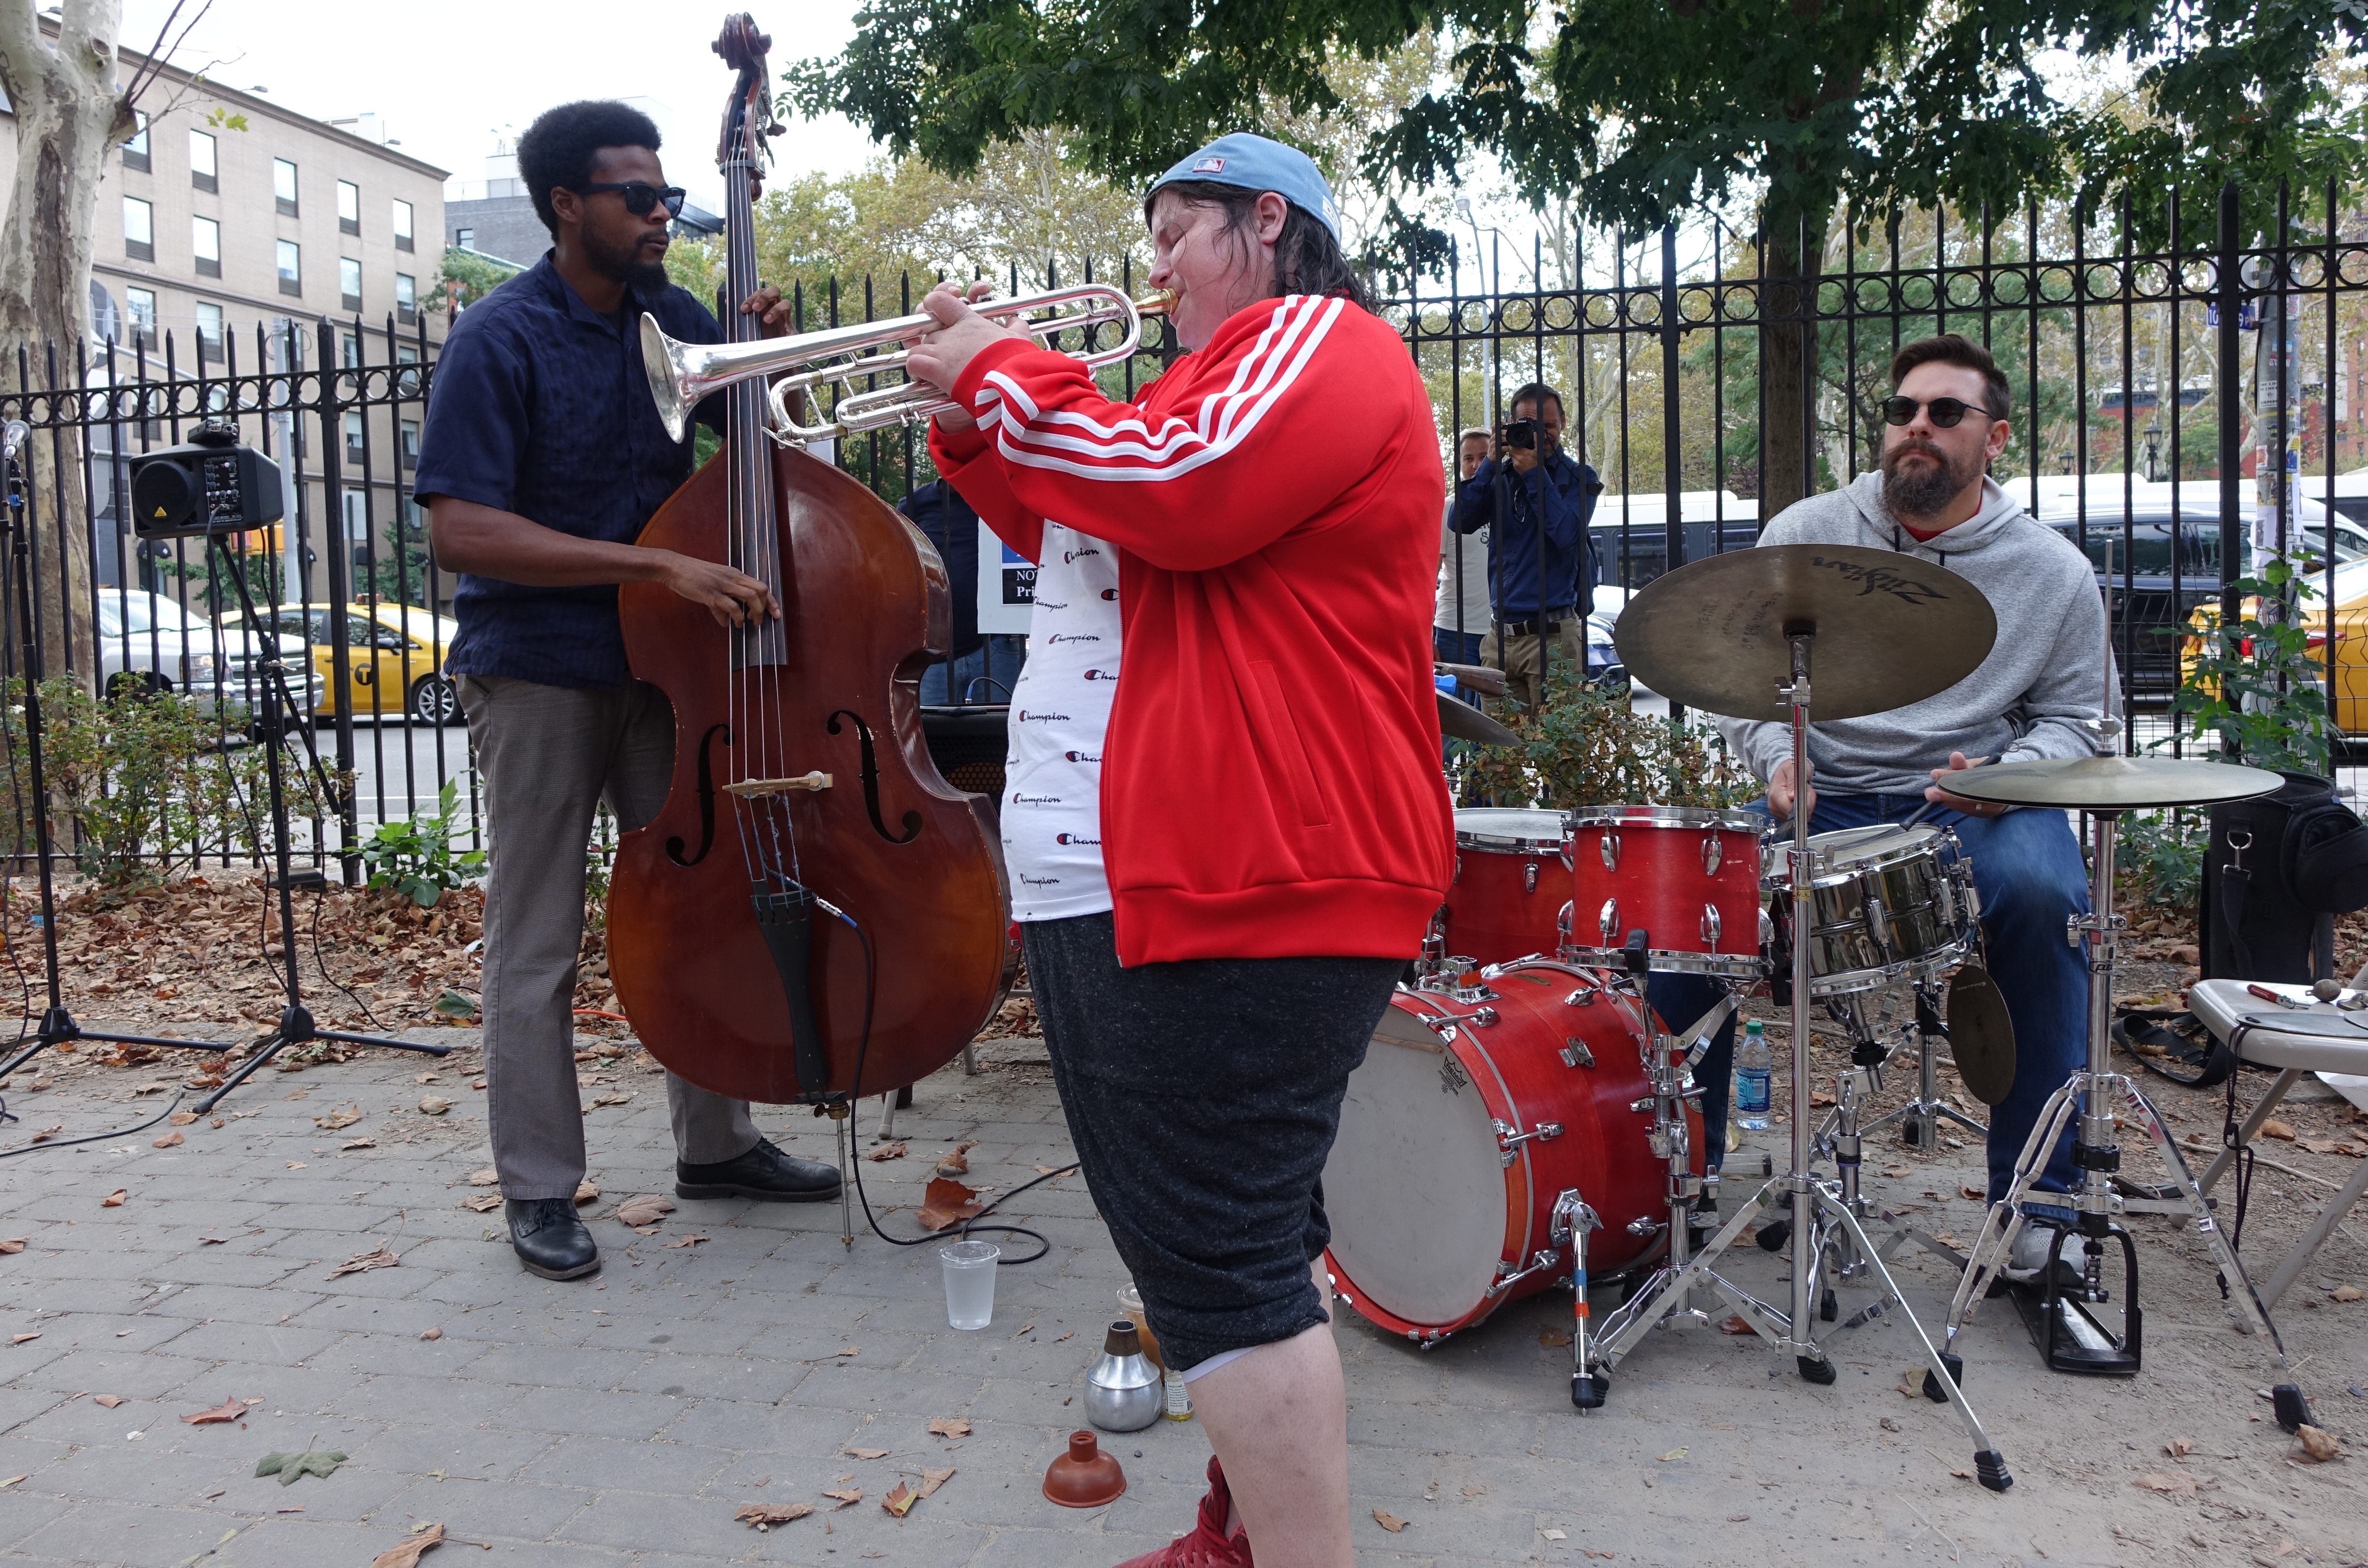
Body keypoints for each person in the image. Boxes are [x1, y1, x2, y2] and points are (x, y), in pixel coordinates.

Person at [905, 132, 1450, 1568]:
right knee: (1220, 1245)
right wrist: (972, 423)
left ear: (1266, 222)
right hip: (1149, 872)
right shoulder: (1203, 390)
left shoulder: (1320, 345)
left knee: (1215, 1257)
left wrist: (1009, 375)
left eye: (1173, 230)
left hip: (1248, 870)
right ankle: (1249, 1533)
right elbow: (1083, 518)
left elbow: (1174, 483)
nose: (1147, 262)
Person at [414, 100, 841, 1284]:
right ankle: (541, 1185)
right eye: (636, 199)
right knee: (538, 939)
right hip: (541, 668)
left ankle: (718, 1144)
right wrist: (650, 562)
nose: (663, 216)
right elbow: (458, 527)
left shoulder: (671, 316)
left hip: (665, 671)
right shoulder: (497, 338)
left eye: (666, 196)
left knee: (699, 905)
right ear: (565, 205)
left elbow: (762, 450)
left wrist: (768, 356)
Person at [1647, 333, 2104, 1285]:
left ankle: (2037, 1208)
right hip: (1825, 790)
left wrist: (2008, 773)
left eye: (1945, 414)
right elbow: (1746, 693)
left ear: (1997, 438)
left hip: (1973, 804)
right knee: (1694, 898)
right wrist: (1779, 760)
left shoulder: (2051, 572)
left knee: (2039, 888)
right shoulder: (1804, 534)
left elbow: (2078, 723)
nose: (1917, 430)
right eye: (1902, 412)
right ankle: (1669, 1185)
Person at [1448, 382, 1602, 709]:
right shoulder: (1499, 476)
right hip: (1499, 639)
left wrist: (1535, 476)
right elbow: (1459, 521)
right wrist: (1488, 465)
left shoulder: (1578, 478)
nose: (1542, 434)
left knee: (1561, 755)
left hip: (1554, 639)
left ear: (1563, 421)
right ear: (1513, 425)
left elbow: (1566, 535)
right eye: (1531, 426)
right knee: (1498, 757)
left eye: (1548, 425)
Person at [897, 477, 1029, 702]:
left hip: (996, 645)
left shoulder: (999, 498)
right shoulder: (914, 504)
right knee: (933, 733)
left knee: (1000, 731)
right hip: (933, 653)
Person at [1434, 426, 1493, 666]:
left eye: (1484, 457)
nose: (1476, 465)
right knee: (1457, 704)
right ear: (1460, 463)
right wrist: (1426, 636)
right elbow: (1429, 575)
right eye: (1469, 459)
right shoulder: (1448, 509)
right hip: (1455, 631)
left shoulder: (1511, 504)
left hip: (1503, 633)